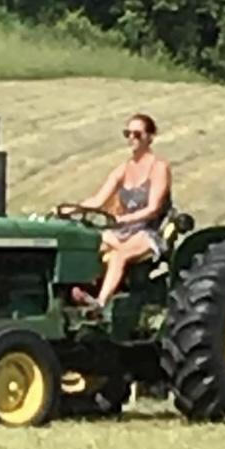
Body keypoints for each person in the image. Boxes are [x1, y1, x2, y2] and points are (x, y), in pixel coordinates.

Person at [72, 113, 172, 309]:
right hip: (121, 230)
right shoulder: (123, 169)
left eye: (137, 134)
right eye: (128, 134)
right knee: (89, 243)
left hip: (146, 231)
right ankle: (77, 292)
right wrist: (72, 208)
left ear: (150, 137)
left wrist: (123, 219)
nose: (132, 138)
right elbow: (98, 201)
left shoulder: (159, 167)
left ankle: (100, 303)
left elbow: (153, 209)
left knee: (119, 254)